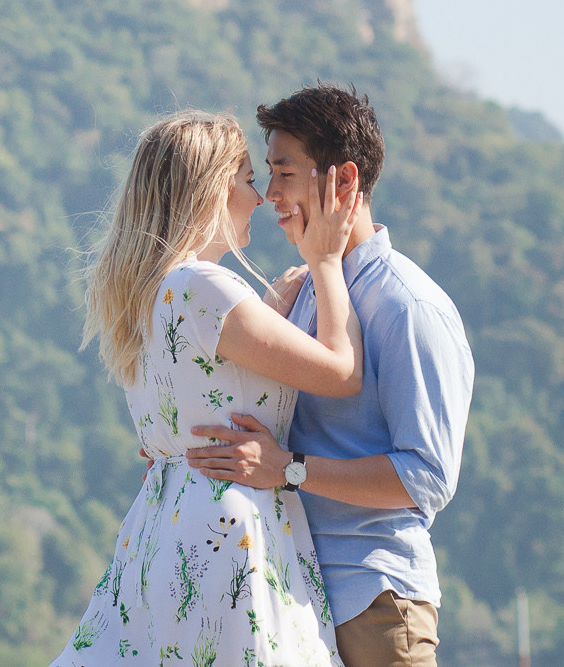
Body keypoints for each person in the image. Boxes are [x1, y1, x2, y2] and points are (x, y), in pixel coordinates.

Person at [52, 110, 367, 667]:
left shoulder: (152, 291)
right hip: (228, 528)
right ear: (212, 191)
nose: (260, 196)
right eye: (247, 179)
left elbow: (214, 378)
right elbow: (341, 373)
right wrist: (325, 263)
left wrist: (274, 306)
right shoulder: (203, 286)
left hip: (166, 519)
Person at [185, 87, 474, 667]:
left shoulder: (408, 306)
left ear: (342, 182)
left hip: (375, 605)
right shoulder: (306, 294)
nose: (269, 196)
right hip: (292, 602)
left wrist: (289, 471)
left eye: (284, 173)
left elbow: (427, 478)